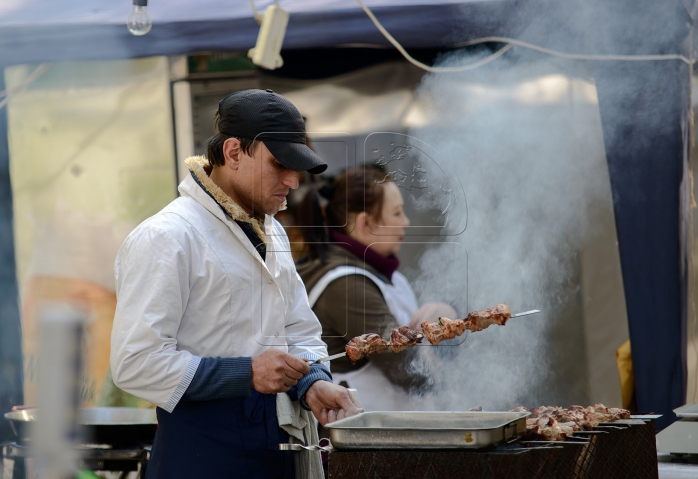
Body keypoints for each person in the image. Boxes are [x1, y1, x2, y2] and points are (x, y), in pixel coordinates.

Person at [110, 89, 362, 479]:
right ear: (232, 153)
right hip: (201, 456)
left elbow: (297, 328)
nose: (293, 181)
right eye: (280, 164)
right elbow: (135, 364)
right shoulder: (166, 236)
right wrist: (246, 373)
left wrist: (311, 384)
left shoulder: (272, 231)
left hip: (276, 452)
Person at [296, 169, 455, 411]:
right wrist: (440, 347)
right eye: (397, 213)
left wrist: (447, 313)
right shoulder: (346, 285)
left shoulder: (382, 274)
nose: (406, 222)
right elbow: (408, 370)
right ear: (366, 223)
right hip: (363, 438)